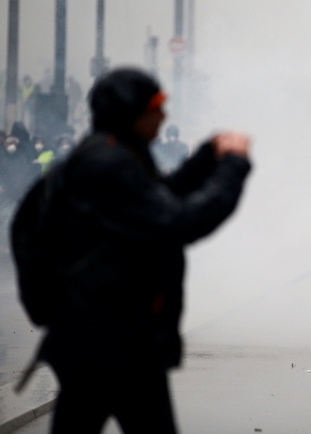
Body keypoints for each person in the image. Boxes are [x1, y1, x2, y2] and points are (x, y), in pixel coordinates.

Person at [32, 68, 251, 433]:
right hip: (112, 342)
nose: (163, 116)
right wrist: (233, 167)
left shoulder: (115, 154)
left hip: (107, 337)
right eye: (156, 107)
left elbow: (157, 199)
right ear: (130, 112)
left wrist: (205, 159)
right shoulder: (108, 164)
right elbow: (178, 222)